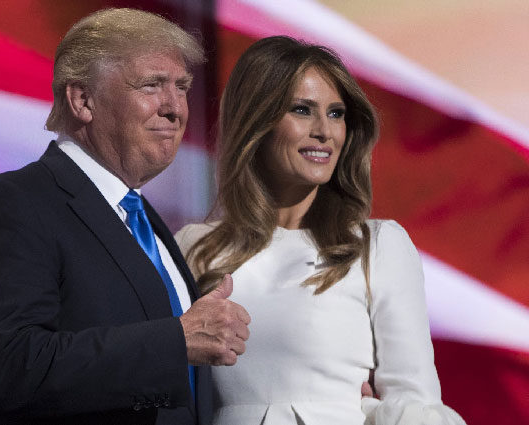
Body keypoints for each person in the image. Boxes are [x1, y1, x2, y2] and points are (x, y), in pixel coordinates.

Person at [0, 8, 250, 425]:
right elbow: (10, 370)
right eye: (152, 85)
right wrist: (175, 342)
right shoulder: (11, 205)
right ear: (82, 99)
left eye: (182, 87)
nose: (175, 108)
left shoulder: (144, 220)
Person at [175, 36, 466, 424]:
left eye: (336, 113)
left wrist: (369, 412)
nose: (324, 132)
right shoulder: (193, 247)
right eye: (302, 110)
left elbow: (417, 407)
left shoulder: (377, 246)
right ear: (255, 122)